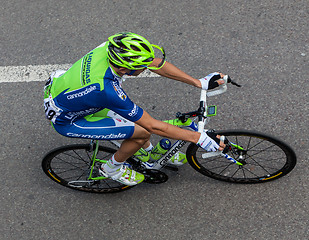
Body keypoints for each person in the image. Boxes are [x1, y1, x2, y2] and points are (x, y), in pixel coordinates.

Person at [44, 32, 225, 186]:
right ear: (124, 69)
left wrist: (198, 82)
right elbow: (153, 126)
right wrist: (198, 138)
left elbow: (155, 63)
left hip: (64, 90)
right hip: (69, 120)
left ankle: (148, 153)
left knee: (137, 124)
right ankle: (111, 168)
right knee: (143, 132)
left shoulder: (110, 48)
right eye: (141, 67)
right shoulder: (107, 90)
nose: (147, 66)